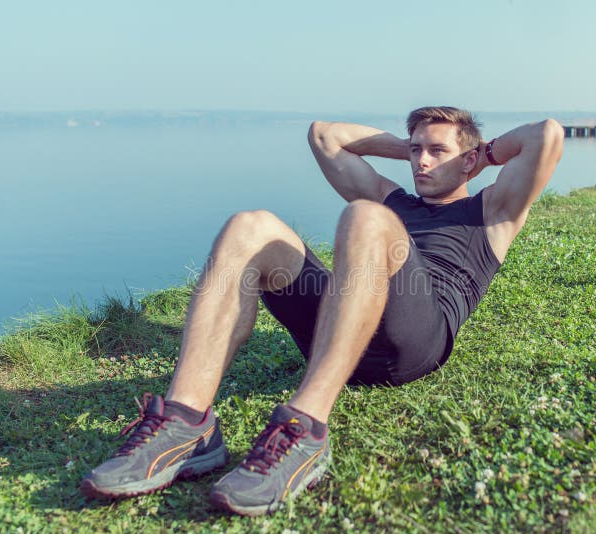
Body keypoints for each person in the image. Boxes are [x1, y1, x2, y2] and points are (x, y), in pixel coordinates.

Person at [79, 106, 564, 516]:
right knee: (251, 225)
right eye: (416, 150)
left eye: (436, 151)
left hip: (413, 343)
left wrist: (484, 155)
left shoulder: (492, 211)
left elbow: (547, 135)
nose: (421, 161)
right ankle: (187, 422)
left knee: (368, 216)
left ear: (469, 161)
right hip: (339, 326)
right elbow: (324, 136)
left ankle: (306, 428)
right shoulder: (392, 196)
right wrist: (407, 144)